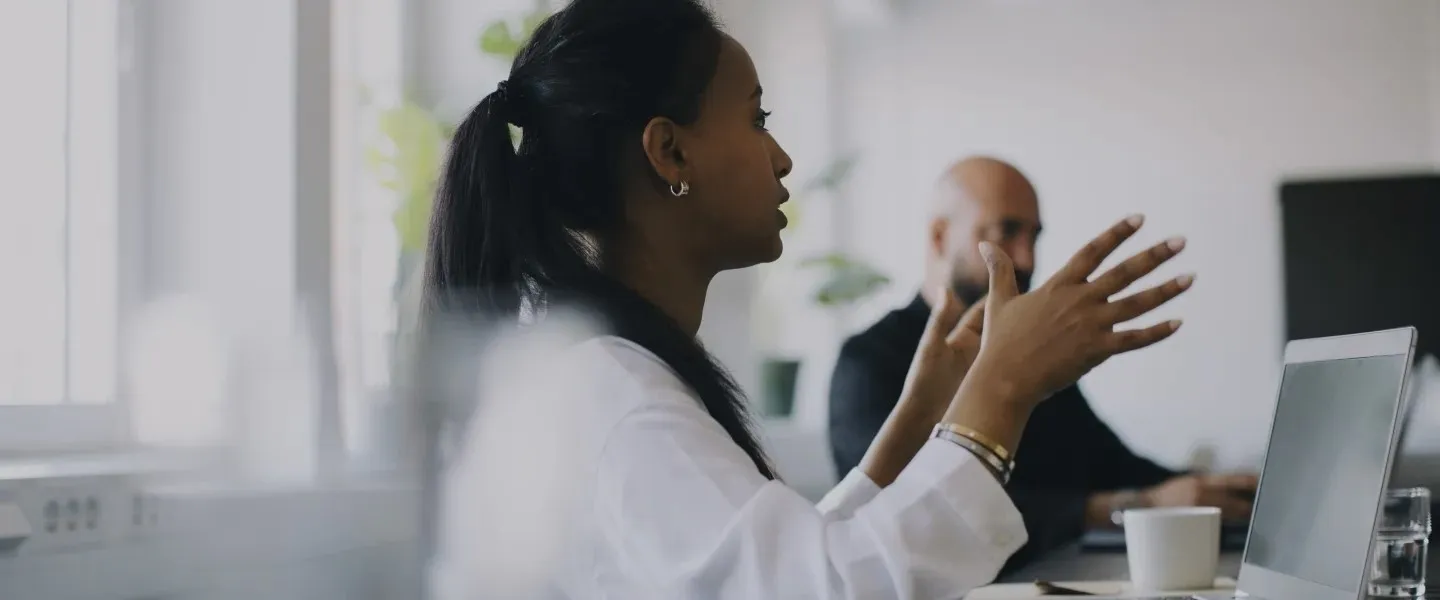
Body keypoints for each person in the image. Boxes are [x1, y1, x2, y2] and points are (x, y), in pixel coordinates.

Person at [423, 2, 1193, 598]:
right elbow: (826, 590)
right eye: (757, 118)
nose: (783, 155)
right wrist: (1002, 387)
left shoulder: (608, 373)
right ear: (670, 151)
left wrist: (917, 422)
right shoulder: (613, 394)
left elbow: (783, 569)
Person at [828, 156, 1258, 573]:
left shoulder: (1032, 351)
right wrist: (1133, 506)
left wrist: (1219, 491)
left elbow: (1112, 465)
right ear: (940, 236)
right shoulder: (868, 362)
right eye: (1006, 232)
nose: (1028, 260)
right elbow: (908, 519)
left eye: (1034, 236)